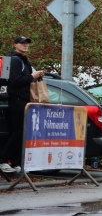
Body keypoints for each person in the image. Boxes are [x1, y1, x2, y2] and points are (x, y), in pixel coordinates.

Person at [0, 36, 44, 173]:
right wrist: (33, 76)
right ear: (15, 45)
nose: (25, 45)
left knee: (18, 132)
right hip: (18, 99)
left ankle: (15, 163)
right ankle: (3, 161)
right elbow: (15, 81)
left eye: (27, 43)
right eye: (22, 43)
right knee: (19, 132)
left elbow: (4, 81)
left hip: (14, 99)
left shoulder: (15, 59)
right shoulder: (15, 60)